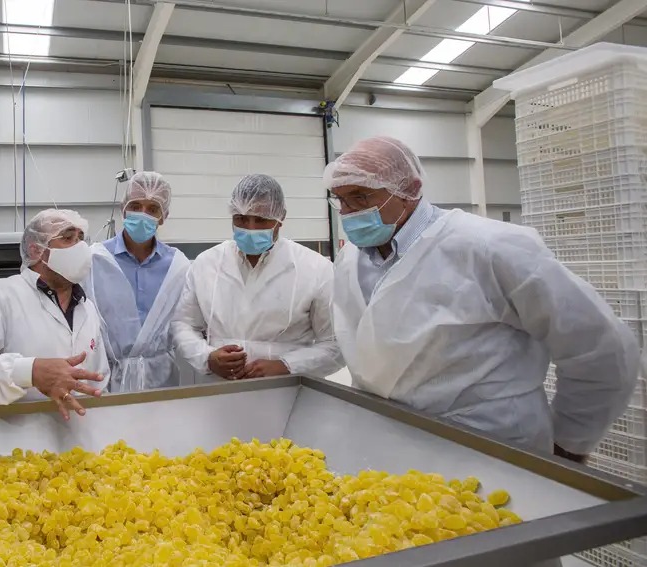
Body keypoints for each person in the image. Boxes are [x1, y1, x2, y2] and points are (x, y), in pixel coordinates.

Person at [328, 135, 641, 461]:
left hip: (493, 443)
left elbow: (600, 346)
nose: (348, 212)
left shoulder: (491, 247)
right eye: (340, 200)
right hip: (390, 441)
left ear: (410, 189)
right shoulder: (350, 259)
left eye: (361, 197)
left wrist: (570, 441)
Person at [170, 174, 343, 383]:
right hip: (217, 391)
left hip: (287, 392)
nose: (250, 228)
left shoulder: (316, 269)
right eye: (241, 219)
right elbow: (184, 324)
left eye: (260, 220)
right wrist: (207, 357)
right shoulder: (206, 263)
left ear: (281, 218)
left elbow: (337, 344)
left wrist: (286, 365)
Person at [0, 209, 110, 419]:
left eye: (81, 238)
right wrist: (29, 371)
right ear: (37, 249)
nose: (80, 247)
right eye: (68, 238)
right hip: (13, 442)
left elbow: (99, 381)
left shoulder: (87, 307)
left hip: (79, 443)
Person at [84, 172, 191, 392]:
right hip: (106, 379)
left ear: (163, 216)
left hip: (162, 380)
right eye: (136, 205)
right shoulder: (95, 260)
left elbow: (187, 323)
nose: (143, 213)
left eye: (152, 208)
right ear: (124, 209)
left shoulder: (178, 266)